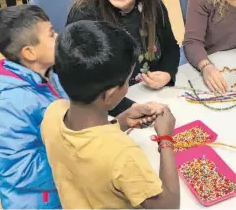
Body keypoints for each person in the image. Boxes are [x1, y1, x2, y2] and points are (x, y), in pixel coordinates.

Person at [41, 20, 180, 209]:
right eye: (126, 82)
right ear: (110, 94)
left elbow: (85, 145)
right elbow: (168, 206)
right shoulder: (122, 154)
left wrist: (121, 121)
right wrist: (165, 138)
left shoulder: (53, 112)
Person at [67, 0, 180, 116]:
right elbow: (81, 81)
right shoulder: (84, 15)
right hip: (105, 112)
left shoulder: (152, 5)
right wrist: (131, 108)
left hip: (152, 97)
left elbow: (171, 47)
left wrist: (167, 73)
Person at [0, 5, 65, 209]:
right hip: (41, 201)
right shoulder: (5, 106)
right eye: (52, 34)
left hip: (62, 186)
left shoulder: (50, 73)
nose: (59, 37)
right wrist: (79, 160)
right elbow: (20, 170)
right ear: (29, 52)